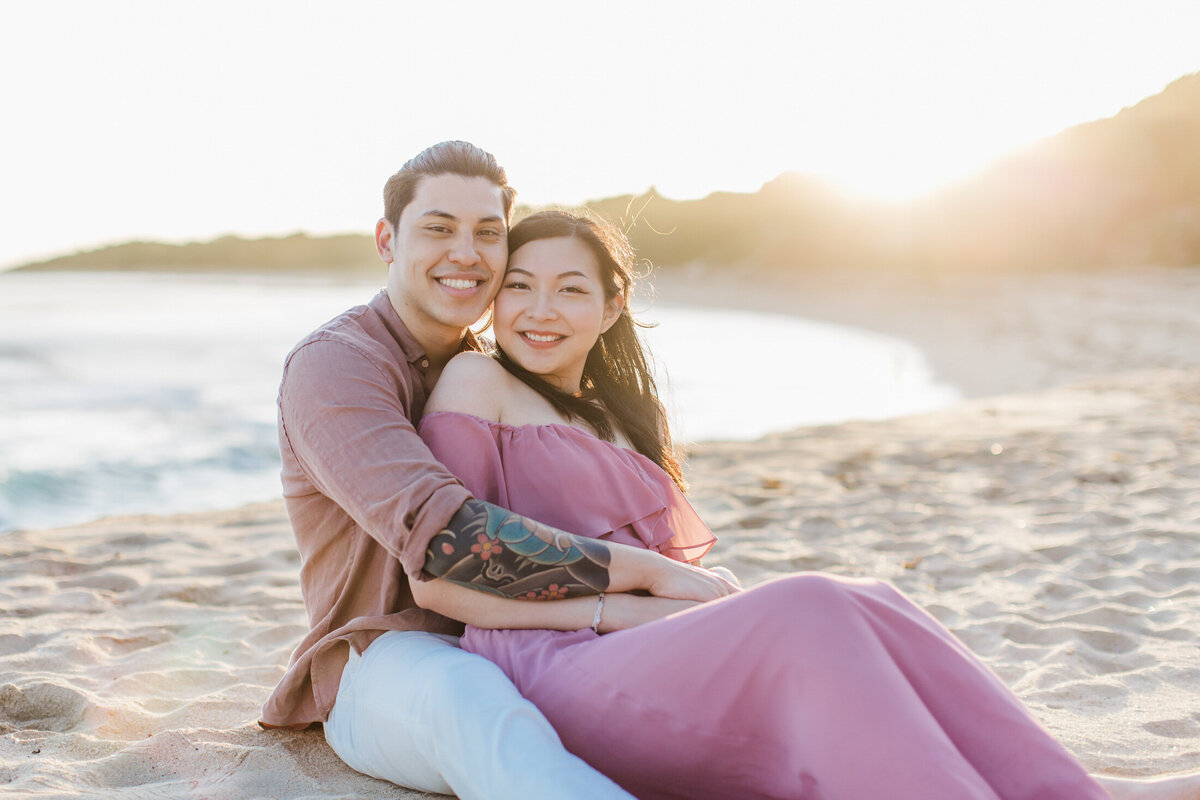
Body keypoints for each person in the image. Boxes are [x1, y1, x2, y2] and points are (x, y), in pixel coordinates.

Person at [411, 209, 1200, 800]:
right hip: (549, 662)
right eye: (518, 287)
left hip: (647, 651)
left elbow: (676, 579)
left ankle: (1064, 790)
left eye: (569, 289)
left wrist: (668, 611)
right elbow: (443, 583)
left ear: (611, 308)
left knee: (872, 599)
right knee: (812, 604)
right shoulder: (479, 384)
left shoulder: (616, 417)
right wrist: (612, 612)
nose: (539, 310)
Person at [260, 142, 734, 799]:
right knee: (475, 703)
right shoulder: (336, 366)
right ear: (386, 240)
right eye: (437, 228)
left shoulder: (493, 371)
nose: (465, 252)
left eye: (487, 232)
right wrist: (651, 579)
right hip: (390, 655)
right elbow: (453, 543)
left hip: (536, 637)